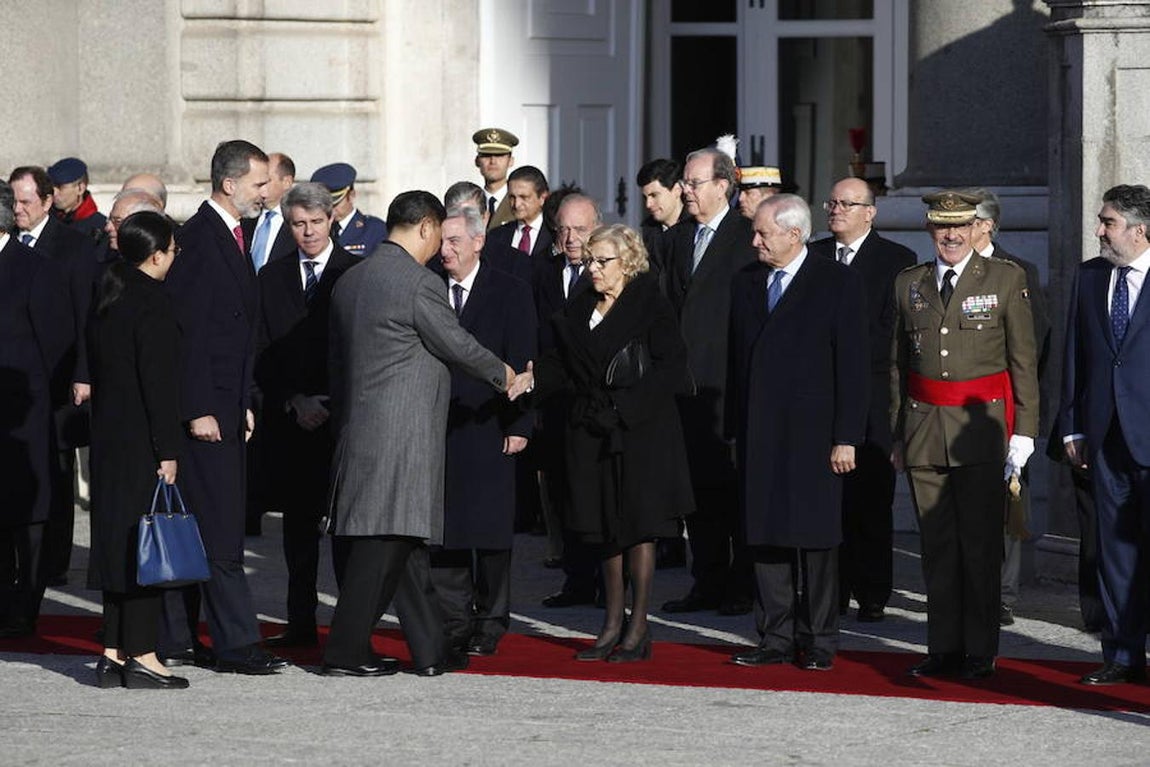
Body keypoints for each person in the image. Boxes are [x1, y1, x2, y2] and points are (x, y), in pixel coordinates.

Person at [321, 191, 515, 677]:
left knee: (404, 550)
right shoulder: (416, 283)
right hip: (399, 437)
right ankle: (345, 651)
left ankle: (431, 652)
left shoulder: (351, 279)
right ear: (426, 228)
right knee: (381, 547)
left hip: (360, 429)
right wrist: (506, 374)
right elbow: (457, 344)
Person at [510, 224, 694, 662]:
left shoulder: (651, 303)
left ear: (627, 262)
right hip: (588, 431)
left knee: (637, 526)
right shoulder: (580, 305)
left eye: (602, 261)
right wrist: (532, 380)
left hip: (639, 432)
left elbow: (671, 369)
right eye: (589, 260)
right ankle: (611, 622)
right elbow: (561, 366)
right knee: (601, 527)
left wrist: (625, 409)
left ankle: (639, 625)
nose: (592, 268)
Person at [891, 190, 1039, 680]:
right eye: (940, 227)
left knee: (979, 546)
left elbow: (1023, 363)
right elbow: (897, 368)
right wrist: (897, 434)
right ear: (929, 230)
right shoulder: (908, 284)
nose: (950, 236)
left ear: (977, 228)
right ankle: (944, 647)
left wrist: (1025, 432)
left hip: (983, 432)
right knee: (938, 546)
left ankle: (980, 650)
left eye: (959, 226)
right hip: (924, 430)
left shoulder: (1005, 278)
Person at [158, 139, 289, 675]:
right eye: (259, 184)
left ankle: (183, 637)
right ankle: (235, 643)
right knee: (218, 530)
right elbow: (185, 336)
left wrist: (245, 400)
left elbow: (233, 332)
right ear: (230, 184)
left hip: (229, 406)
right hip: (206, 415)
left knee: (219, 524)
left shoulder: (233, 235)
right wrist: (198, 408)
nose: (266, 194)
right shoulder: (200, 239)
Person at [726, 195, 869, 671]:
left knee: (816, 539)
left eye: (764, 233)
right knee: (765, 534)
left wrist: (847, 435)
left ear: (794, 234)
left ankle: (821, 638)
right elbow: (736, 362)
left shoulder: (837, 282)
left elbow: (853, 366)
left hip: (815, 436)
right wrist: (732, 428)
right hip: (760, 431)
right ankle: (774, 636)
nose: (755, 241)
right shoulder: (747, 281)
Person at [254, 182, 361, 648]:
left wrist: (333, 402)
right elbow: (261, 354)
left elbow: (364, 350)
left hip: (343, 422)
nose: (308, 232)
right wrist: (294, 400)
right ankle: (300, 623)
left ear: (331, 220)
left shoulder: (355, 273)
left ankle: (349, 627)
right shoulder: (271, 278)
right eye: (298, 224)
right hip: (293, 422)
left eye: (316, 222)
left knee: (346, 532)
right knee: (297, 534)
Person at [87, 211, 188, 689]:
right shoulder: (152, 302)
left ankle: (113, 649)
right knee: (145, 548)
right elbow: (159, 386)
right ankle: (144, 654)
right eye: (172, 247)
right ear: (156, 254)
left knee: (115, 542)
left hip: (109, 438)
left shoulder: (109, 293)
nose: (177, 255)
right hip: (142, 441)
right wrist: (167, 449)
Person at [430, 205, 536, 656]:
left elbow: (524, 355)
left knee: (490, 529)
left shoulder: (508, 291)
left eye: (454, 240)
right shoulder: (428, 288)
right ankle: (456, 616)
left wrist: (521, 423)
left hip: (492, 422)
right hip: (439, 424)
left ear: (478, 242)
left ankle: (492, 617)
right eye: (441, 240)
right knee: (447, 526)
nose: (445, 249)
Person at [808, 176, 916, 623]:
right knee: (827, 499)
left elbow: (893, 333)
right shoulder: (813, 255)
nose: (836, 210)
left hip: (874, 393)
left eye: (847, 204)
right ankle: (831, 590)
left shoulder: (896, 259)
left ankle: (873, 591)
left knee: (870, 497)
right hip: (821, 392)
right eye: (831, 202)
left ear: (870, 212)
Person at [1060, 184, 1150, 685]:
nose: (1098, 231)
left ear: (1139, 231)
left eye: (1108, 223)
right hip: (1105, 437)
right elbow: (1077, 355)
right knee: (1113, 550)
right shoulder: (1091, 277)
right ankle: (1122, 653)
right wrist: (1072, 426)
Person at [662, 147, 758, 616]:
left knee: (734, 488)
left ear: (723, 185)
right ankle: (706, 580)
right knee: (696, 490)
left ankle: (742, 584)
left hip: (728, 385)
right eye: (684, 182)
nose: (685, 190)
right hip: (686, 388)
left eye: (694, 183)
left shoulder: (747, 238)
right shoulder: (678, 238)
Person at [967, 187, 1052, 627]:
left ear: (986, 225)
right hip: (950, 406)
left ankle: (1001, 593)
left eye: (964, 221)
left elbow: (1033, 347)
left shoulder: (1018, 271)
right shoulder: (931, 272)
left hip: (1002, 406)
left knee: (1006, 502)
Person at [9, 165, 94, 589]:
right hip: (20, 381)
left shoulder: (72, 247)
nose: (19, 209)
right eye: (15, 201)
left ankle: (54, 560)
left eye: (26, 202)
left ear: (47, 201)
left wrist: (82, 373)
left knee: (56, 471)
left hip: (59, 378)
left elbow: (82, 315)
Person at [0, 181, 73, 639]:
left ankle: (25, 603)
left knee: (27, 515)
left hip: (23, 414)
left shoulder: (33, 269)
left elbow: (57, 345)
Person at [535, 194, 599, 607]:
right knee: (561, 491)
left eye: (580, 229)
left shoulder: (607, 274)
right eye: (564, 229)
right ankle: (575, 580)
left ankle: (603, 582)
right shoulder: (542, 271)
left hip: (591, 401)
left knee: (592, 493)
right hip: (553, 397)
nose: (571, 238)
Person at [310, 162, 387, 258]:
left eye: (335, 203)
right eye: (324, 204)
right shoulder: (314, 230)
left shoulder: (375, 230)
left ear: (351, 196)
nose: (329, 209)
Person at [635, 158, 688, 274]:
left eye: (654, 195)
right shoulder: (648, 234)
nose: (648, 204)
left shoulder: (696, 229)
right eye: (645, 197)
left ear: (677, 190)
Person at [486, 166, 552, 259]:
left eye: (524, 197)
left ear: (542, 198)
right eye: (512, 197)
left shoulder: (555, 235)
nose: (516, 204)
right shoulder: (496, 236)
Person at [247, 152, 297, 272]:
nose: (259, 185)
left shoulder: (298, 221)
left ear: (287, 182)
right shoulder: (245, 218)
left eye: (266, 180)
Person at [48, 157, 107, 243]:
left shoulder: (100, 227)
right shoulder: (46, 219)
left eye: (60, 187)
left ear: (80, 188)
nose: (54, 192)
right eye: (52, 186)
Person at [473, 127, 519, 230]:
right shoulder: (470, 203)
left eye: (500, 155)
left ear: (511, 161)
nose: (493, 161)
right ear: (477, 161)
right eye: (486, 155)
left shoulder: (520, 202)